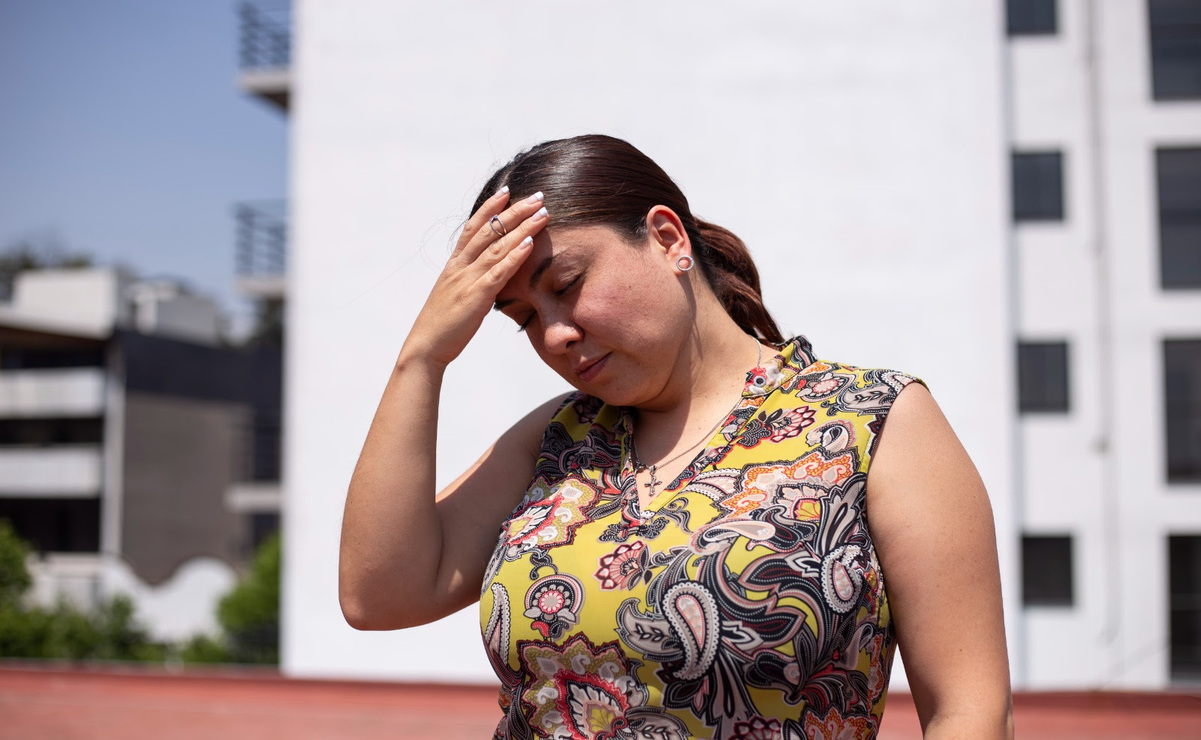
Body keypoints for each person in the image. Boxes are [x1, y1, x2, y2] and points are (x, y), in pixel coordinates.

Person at [340, 134, 1013, 739]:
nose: (552, 334)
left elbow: (970, 710)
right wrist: (422, 357)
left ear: (667, 239)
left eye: (567, 284)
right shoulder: (557, 439)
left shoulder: (869, 420)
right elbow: (377, 595)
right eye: (522, 319)